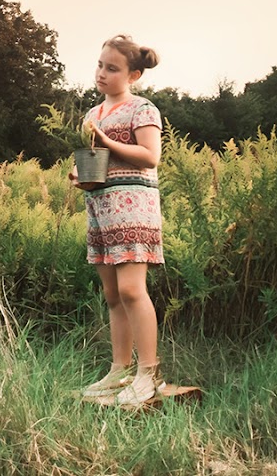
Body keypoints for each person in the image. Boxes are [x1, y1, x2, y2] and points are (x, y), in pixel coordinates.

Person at [71, 34, 165, 408]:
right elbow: (98, 163)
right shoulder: (91, 115)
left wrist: (105, 141)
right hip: (101, 208)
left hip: (133, 207)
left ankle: (148, 374)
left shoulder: (143, 109)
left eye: (112, 68)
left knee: (131, 290)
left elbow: (149, 156)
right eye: (100, 65)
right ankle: (119, 370)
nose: (102, 73)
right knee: (112, 295)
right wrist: (80, 176)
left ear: (133, 75)